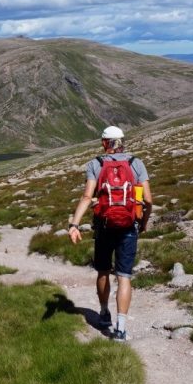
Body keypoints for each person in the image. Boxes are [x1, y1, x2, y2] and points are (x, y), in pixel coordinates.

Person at [67, 125, 152, 341]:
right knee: (124, 277)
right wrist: (143, 222)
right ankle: (121, 328)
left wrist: (74, 225)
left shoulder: (96, 164)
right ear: (122, 141)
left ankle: (104, 313)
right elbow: (148, 200)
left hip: (104, 226)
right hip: (129, 226)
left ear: (105, 142)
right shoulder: (136, 163)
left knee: (103, 271)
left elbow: (87, 197)